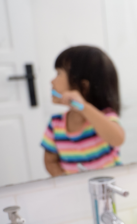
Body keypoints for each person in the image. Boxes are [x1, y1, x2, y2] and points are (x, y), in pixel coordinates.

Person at [41, 45, 124, 176]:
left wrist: (83, 107)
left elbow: (117, 139)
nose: (52, 81)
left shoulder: (104, 117)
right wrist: (69, 184)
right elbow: (50, 162)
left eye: (59, 73)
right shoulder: (55, 124)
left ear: (84, 86)